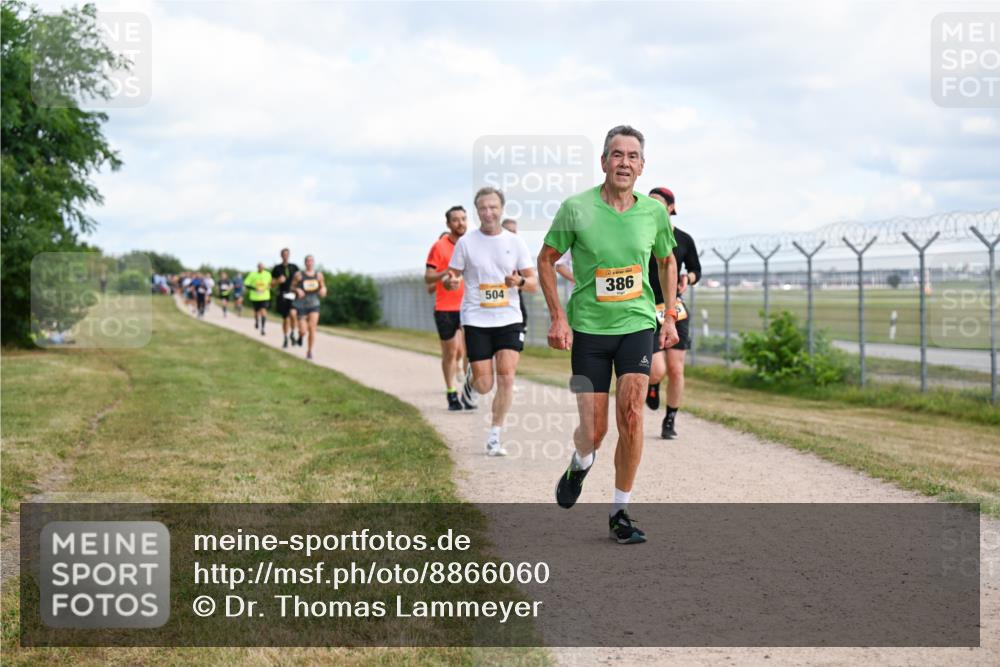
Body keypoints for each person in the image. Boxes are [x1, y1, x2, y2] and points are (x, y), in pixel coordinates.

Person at [537, 125, 679, 544]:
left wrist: (668, 316)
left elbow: (667, 262)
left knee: (632, 414)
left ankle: (620, 511)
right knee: (594, 432)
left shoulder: (652, 213)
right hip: (589, 330)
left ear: (642, 166)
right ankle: (580, 463)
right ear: (603, 162)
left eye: (633, 156)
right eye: (617, 155)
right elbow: (546, 260)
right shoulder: (575, 209)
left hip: (636, 323)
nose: (624, 163)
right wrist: (558, 317)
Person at [448, 188, 536, 456]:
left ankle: (495, 435)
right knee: (485, 384)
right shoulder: (466, 243)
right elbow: (453, 275)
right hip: (477, 319)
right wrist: (451, 281)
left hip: (509, 317)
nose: (488, 212)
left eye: (493, 207)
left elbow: (533, 283)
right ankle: (472, 381)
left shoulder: (515, 242)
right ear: (477, 211)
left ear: (502, 208)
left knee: (507, 377)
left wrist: (519, 281)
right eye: (483, 208)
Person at [644, 187, 700, 439]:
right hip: (645, 308)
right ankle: (653, 385)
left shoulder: (684, 239)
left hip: (673, 307)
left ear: (670, 208)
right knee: (656, 370)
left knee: (676, 369)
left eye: (658, 203)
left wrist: (688, 277)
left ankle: (670, 420)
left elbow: (696, 270)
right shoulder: (639, 236)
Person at [425, 206, 474, 411]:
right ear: (448, 224)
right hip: (445, 307)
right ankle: (451, 393)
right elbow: (428, 277)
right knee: (451, 353)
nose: (460, 223)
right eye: (455, 220)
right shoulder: (439, 246)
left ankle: (468, 392)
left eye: (463, 219)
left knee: (472, 352)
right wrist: (446, 273)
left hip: (471, 306)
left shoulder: (473, 244)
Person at [292, 255, 327, 361]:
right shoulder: (299, 275)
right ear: (305, 263)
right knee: (303, 330)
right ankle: (300, 336)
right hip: (301, 305)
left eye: (311, 261)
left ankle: (309, 351)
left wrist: (323, 291)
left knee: (312, 328)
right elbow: (292, 286)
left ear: (314, 262)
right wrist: (297, 290)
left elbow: (323, 286)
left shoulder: (319, 275)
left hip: (314, 304)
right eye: (307, 261)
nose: (309, 263)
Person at [501, 218, 530, 333]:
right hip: (492, 304)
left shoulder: (520, 251)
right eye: (509, 231)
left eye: (514, 231)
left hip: (514, 300)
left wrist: (519, 282)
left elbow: (531, 281)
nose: (513, 234)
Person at [272, 248, 301, 348]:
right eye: (283, 254)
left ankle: (293, 333)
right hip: (282, 294)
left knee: (293, 314)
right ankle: (285, 338)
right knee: (285, 318)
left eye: (287, 254)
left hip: (292, 294)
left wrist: (298, 287)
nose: (285, 256)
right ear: (281, 255)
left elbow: (299, 280)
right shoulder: (277, 268)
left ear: (289, 255)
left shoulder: (294, 267)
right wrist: (277, 281)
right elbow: (271, 284)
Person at [244, 262, 273, 335]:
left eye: (262, 267)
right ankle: (256, 321)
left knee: (263, 311)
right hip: (255, 297)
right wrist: (254, 288)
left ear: (264, 267)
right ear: (257, 267)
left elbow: (271, 283)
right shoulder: (252, 274)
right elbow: (246, 284)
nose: (261, 268)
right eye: (259, 267)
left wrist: (270, 286)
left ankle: (263, 328)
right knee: (256, 312)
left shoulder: (268, 274)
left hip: (265, 297)